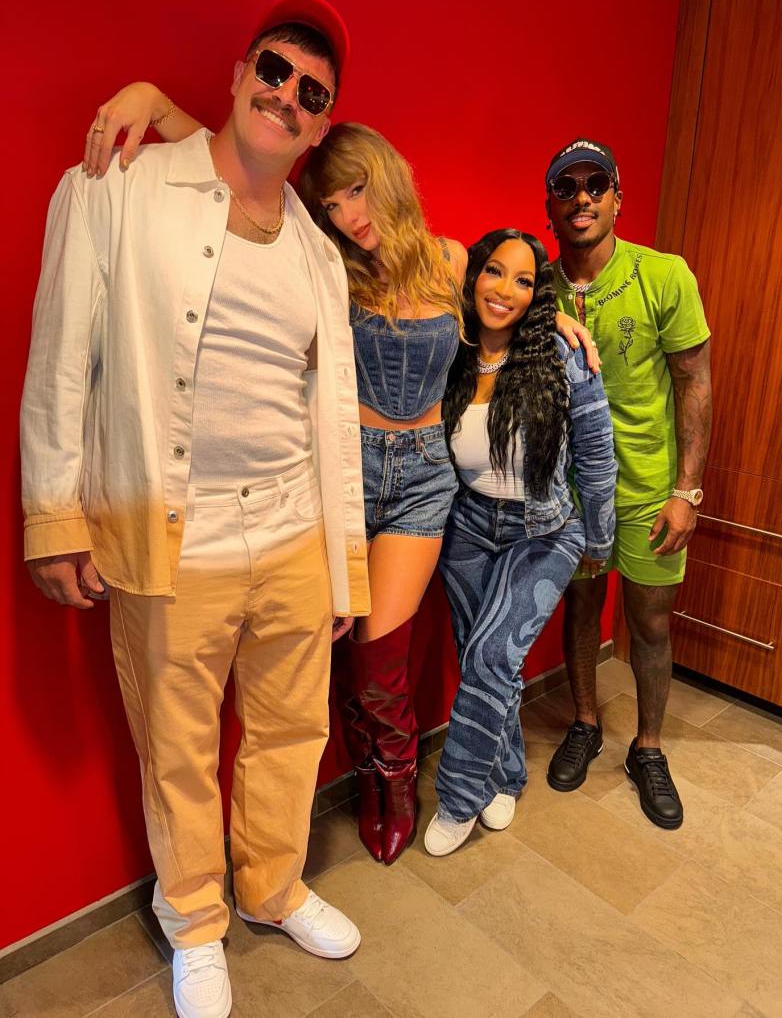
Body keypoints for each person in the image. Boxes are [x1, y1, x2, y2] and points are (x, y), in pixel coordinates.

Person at [84, 84, 602, 868]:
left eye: (356, 189)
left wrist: (552, 313)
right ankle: (370, 775)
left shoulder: (449, 261)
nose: (349, 213)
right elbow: (236, 169)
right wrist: (157, 107)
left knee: (378, 651)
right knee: (325, 646)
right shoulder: (322, 261)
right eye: (332, 202)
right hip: (346, 472)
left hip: (426, 479)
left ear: (386, 175)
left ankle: (392, 784)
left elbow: (509, 293)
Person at [21, 0, 370, 1018]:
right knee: (176, 745)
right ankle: (196, 921)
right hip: (179, 530)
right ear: (238, 73)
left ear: (319, 124)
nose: (288, 96)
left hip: (296, 530)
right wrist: (55, 515)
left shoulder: (312, 246)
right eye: (275, 69)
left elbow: (333, 421)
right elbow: (60, 363)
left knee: (292, 728)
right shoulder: (118, 189)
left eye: (313, 92)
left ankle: (272, 887)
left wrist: (342, 564)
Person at [423, 230, 617, 856]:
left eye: (526, 281)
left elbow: (595, 453)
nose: (506, 290)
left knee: (491, 657)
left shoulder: (560, 357)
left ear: (540, 294)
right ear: (472, 276)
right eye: (494, 273)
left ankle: (457, 799)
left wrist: (601, 538)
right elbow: (410, 245)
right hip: (467, 528)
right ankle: (505, 774)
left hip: (545, 530)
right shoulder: (449, 351)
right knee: (476, 650)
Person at [543, 138, 712, 831]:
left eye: (595, 184)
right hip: (569, 489)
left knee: (647, 619)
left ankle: (646, 747)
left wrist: (686, 490)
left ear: (617, 196)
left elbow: (693, 380)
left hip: (647, 487)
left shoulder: (663, 275)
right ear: (549, 202)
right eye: (565, 186)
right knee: (581, 611)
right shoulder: (535, 283)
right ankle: (584, 721)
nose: (580, 197)